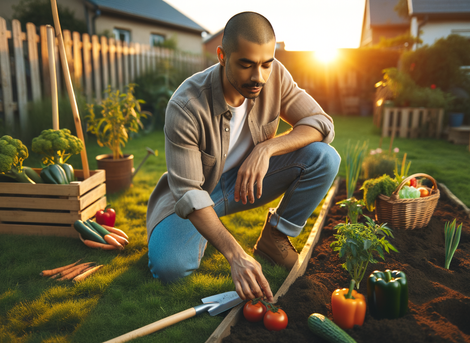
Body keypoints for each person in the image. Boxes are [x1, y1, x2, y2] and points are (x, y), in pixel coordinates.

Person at [146, 11, 340, 302]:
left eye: (266, 64)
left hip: (245, 184)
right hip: (195, 192)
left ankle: (274, 240)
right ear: (222, 56)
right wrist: (236, 254)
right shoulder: (186, 105)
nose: (258, 77)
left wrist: (267, 148)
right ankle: (203, 231)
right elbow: (188, 191)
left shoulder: (275, 78)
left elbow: (321, 122)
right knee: (170, 269)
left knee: (324, 157)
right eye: (246, 64)